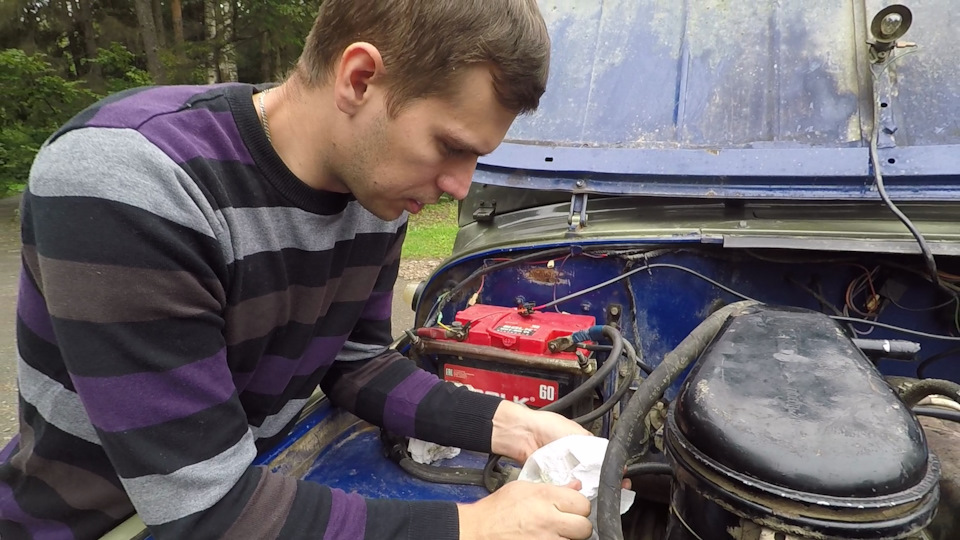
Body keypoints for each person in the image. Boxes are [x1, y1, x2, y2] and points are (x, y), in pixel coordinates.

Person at [0, 0, 601, 539]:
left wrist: (517, 427)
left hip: (266, 476)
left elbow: (356, 362)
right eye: (450, 145)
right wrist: (471, 525)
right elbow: (204, 512)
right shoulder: (131, 179)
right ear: (359, 79)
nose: (460, 186)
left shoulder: (374, 192)